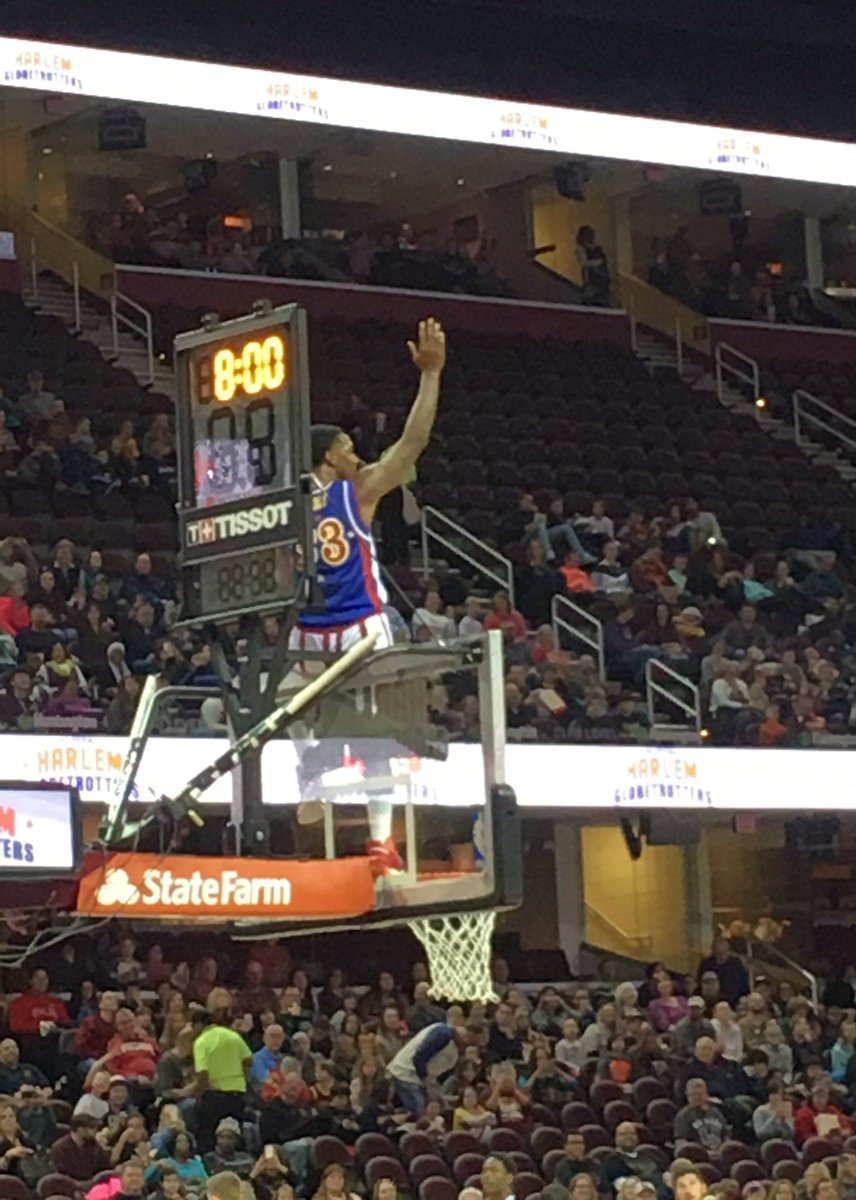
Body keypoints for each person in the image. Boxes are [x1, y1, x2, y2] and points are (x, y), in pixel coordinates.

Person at [291, 317, 446, 875]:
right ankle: (310, 773)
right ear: (329, 457)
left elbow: (414, 443)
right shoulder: (311, 498)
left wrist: (431, 378)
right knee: (268, 705)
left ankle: (380, 841)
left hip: (358, 624)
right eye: (349, 447)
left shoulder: (347, 495)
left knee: (379, 736)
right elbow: (411, 444)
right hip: (313, 626)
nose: (356, 455)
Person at [193, 988, 253, 1154]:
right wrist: (243, 1078)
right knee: (235, 1138)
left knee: (208, 1139)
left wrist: (199, 1091)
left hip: (214, 1095)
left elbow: (202, 1073)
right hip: (236, 1095)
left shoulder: (202, 1041)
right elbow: (249, 1060)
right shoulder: (234, 1036)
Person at [385, 1019, 460, 1115]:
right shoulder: (443, 1035)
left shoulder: (439, 1028)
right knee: (419, 1110)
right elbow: (418, 1059)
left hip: (415, 1076)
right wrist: (425, 1078)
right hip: (405, 1073)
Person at [600, 1122, 664, 1194]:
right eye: (623, 1134)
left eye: (632, 1133)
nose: (628, 1136)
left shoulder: (647, 1156)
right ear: (616, 1138)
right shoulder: (612, 1161)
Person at [674, 1077, 730, 1152]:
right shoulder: (683, 1115)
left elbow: (726, 1136)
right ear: (687, 1096)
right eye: (693, 1094)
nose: (696, 1097)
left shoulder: (715, 1112)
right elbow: (680, 1141)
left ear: (706, 1094)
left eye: (699, 1094)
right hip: (698, 1156)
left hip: (719, 1153)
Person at [51, 1114, 110, 1180]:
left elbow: (104, 1167)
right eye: (91, 1128)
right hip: (70, 1186)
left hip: (94, 1185)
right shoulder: (60, 1148)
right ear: (80, 1129)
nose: (95, 1131)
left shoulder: (94, 1145)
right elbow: (64, 1175)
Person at [698, 939, 750, 1008]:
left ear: (728, 950)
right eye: (718, 953)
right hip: (711, 1001)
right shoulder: (707, 963)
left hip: (734, 1000)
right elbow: (700, 982)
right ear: (713, 951)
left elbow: (743, 983)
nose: (722, 955)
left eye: (724, 952)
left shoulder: (735, 963)